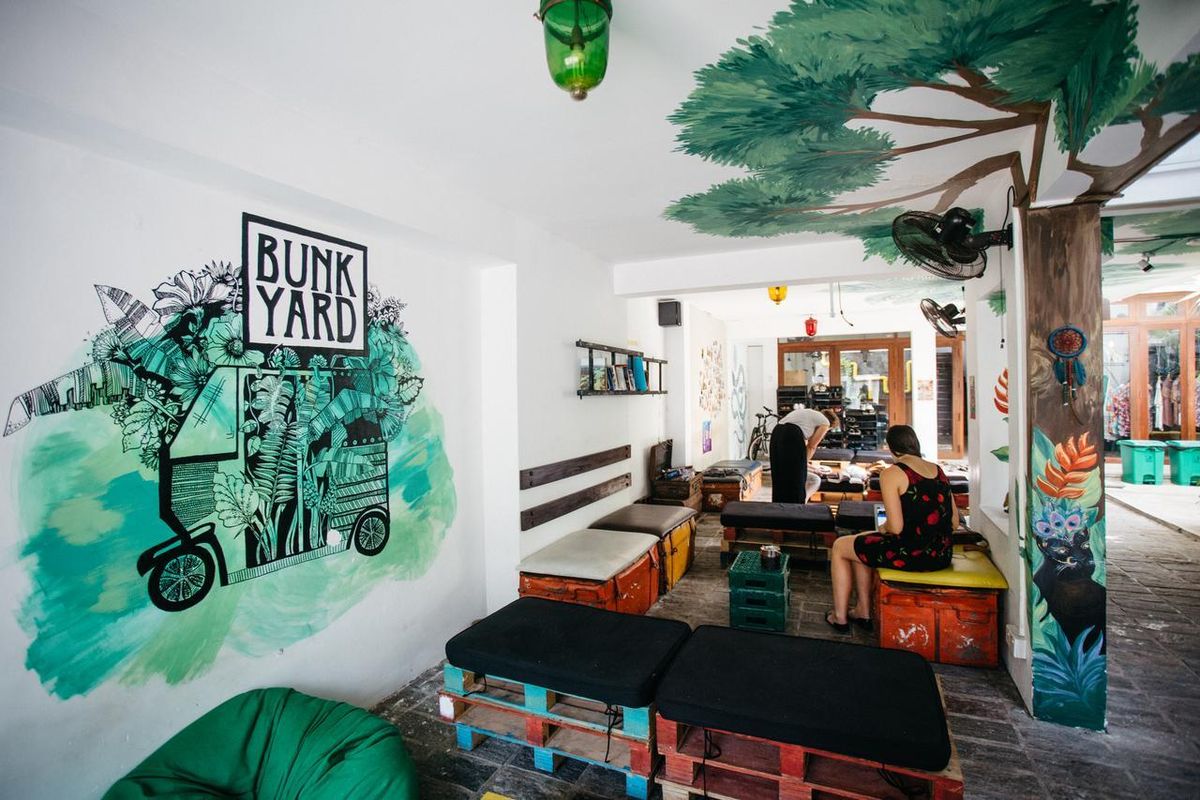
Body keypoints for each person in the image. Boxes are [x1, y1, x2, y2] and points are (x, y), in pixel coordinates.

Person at [825, 424, 957, 633]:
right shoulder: (938, 471)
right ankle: (863, 611)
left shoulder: (893, 473)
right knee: (860, 545)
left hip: (911, 554)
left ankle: (839, 617)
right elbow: (954, 522)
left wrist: (883, 527)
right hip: (941, 554)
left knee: (841, 546)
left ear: (891, 448)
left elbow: (895, 527)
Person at [769, 406, 840, 503]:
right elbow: (811, 446)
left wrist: (810, 467)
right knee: (797, 477)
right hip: (791, 435)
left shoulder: (809, 414)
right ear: (831, 425)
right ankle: (796, 506)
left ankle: (778, 505)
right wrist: (803, 467)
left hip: (777, 432)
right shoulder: (825, 423)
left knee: (779, 472)